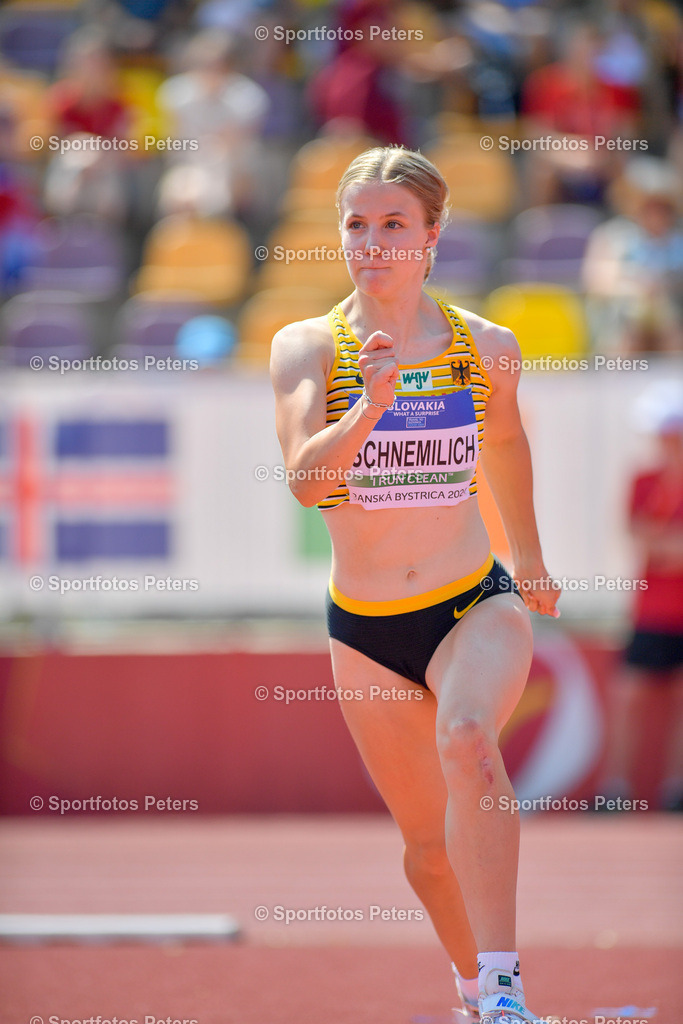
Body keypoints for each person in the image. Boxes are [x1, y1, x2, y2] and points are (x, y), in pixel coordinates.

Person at [270, 146, 560, 1024]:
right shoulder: (308, 347)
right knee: (427, 851)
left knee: (468, 739)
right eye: (357, 224)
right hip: (366, 629)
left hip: (473, 602)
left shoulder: (485, 347)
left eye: (394, 224)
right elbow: (306, 482)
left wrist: (531, 557)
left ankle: (505, 991)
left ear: (432, 236)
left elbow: (503, 440)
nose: (372, 242)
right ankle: (472, 990)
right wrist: (368, 405)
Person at [599, 388, 683, 811]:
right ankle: (616, 789)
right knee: (629, 696)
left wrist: (663, 544)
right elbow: (637, 536)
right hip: (651, 612)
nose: (669, 444)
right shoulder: (645, 480)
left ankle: (675, 790)